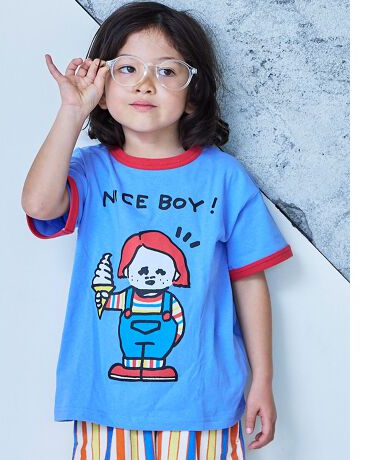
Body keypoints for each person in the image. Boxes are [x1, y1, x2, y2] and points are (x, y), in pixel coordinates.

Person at [21, 2, 293, 458]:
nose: (145, 83)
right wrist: (72, 111)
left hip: (205, 404)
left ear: (193, 93)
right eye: (127, 68)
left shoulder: (224, 179)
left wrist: (262, 379)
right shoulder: (91, 171)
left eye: (167, 71)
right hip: (107, 405)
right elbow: (39, 204)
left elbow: (250, 281)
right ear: (102, 87)